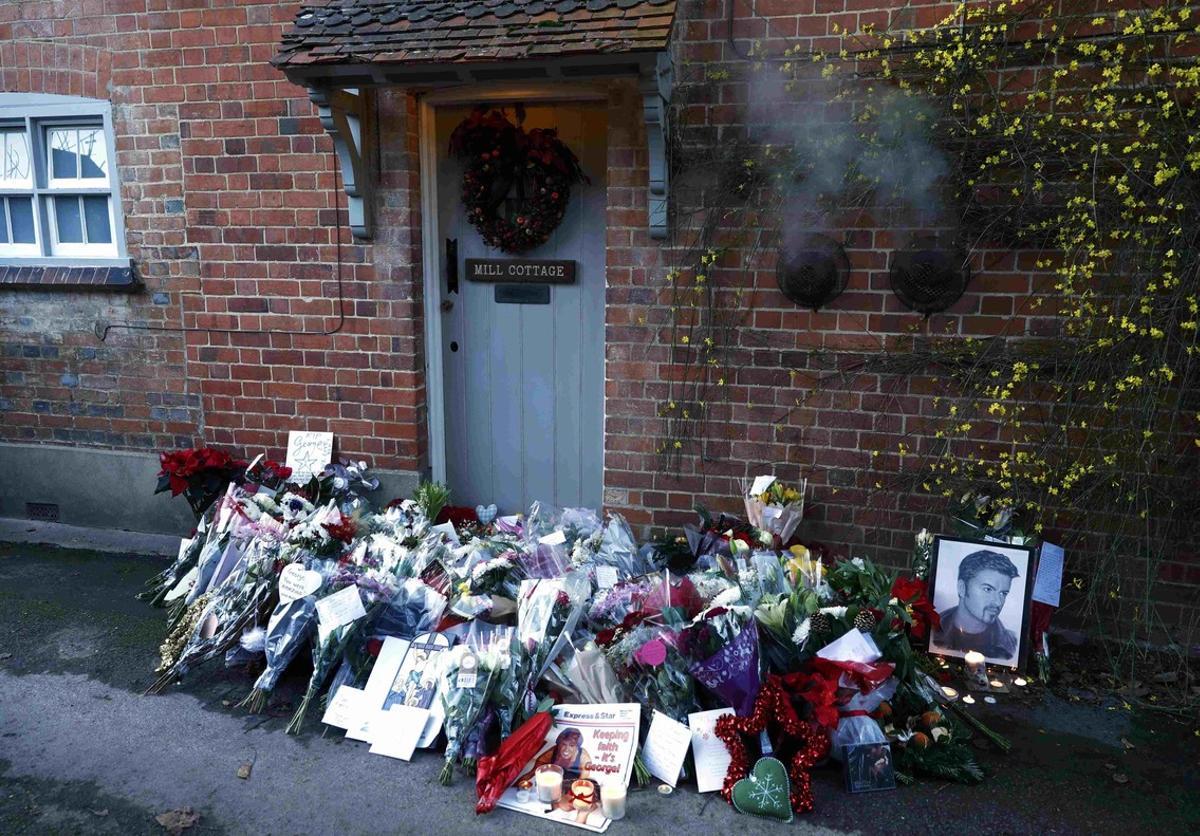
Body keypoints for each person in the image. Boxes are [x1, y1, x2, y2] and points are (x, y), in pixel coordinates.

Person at [932, 549, 1020, 660]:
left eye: (1003, 593)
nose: (998, 602)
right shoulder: (931, 632)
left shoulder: (1010, 646)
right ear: (962, 588)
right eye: (987, 589)